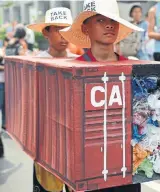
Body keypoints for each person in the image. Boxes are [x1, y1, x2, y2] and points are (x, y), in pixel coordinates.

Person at [60, 0, 142, 191]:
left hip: (125, 168)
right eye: (99, 20)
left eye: (113, 20)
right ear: (85, 28)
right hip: (86, 170)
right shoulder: (70, 71)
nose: (108, 25)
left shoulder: (135, 69)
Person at [27, 7, 77, 192]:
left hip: (73, 143)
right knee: (47, 187)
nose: (63, 36)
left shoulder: (79, 63)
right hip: (46, 144)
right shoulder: (34, 63)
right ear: (45, 32)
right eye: (57, 29)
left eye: (67, 30)